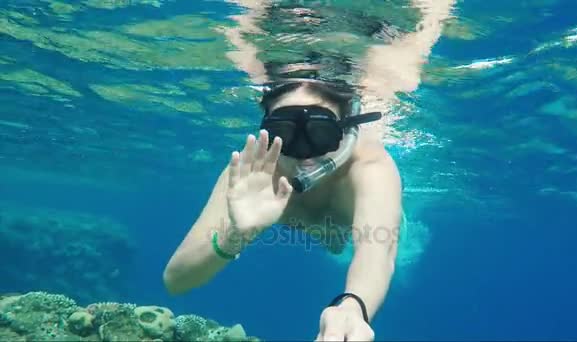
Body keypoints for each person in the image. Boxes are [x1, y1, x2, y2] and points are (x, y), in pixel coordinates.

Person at [163, 1, 455, 341]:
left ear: (347, 130)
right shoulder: (253, 173)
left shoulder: (369, 167)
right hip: (324, 220)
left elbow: (377, 255)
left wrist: (352, 308)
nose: (304, 155)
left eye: (320, 134)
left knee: (393, 247)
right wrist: (235, 235)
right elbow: (176, 280)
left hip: (359, 223)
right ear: (265, 130)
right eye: (284, 134)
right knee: (336, 243)